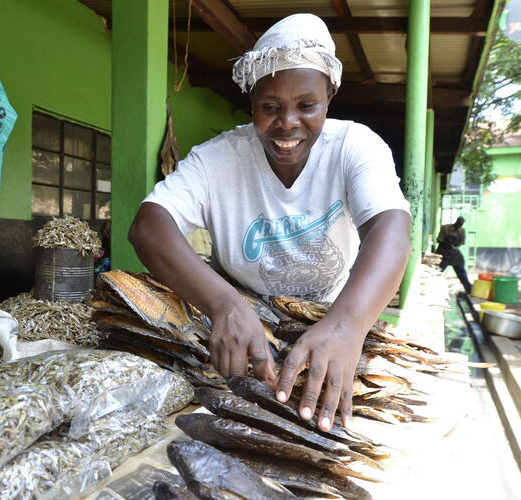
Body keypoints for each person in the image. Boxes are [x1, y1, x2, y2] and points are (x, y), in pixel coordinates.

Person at [128, 14, 411, 432]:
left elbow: (391, 231)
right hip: (239, 333)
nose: (287, 124)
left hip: (333, 320)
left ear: (329, 94)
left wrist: (347, 326)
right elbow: (149, 226)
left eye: (306, 106)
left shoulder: (355, 147)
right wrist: (223, 304)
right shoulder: (218, 159)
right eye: (270, 107)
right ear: (252, 101)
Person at [436, 217, 472, 293]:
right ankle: (432, 286)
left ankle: (468, 288)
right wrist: (448, 245)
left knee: (461, 270)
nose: (459, 225)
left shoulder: (462, 231)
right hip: (443, 252)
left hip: (454, 253)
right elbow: (439, 240)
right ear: (456, 221)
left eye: (461, 224)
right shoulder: (445, 228)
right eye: (458, 223)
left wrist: (455, 247)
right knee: (437, 271)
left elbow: (462, 242)